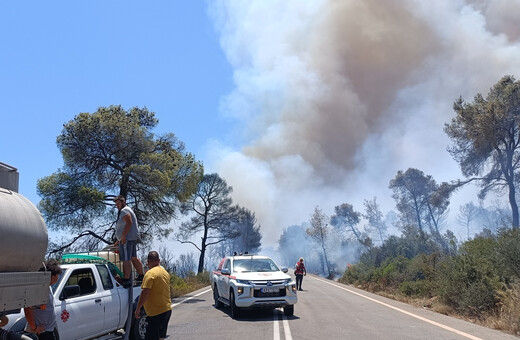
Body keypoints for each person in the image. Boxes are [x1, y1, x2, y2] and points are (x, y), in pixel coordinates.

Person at [134, 251, 172, 340]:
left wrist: (138, 308)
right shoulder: (164, 273)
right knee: (160, 337)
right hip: (166, 309)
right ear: (159, 260)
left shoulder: (150, 274)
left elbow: (145, 292)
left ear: (148, 262)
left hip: (156, 312)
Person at [24, 259, 62, 340]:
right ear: (51, 276)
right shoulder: (37, 290)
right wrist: (34, 328)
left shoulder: (48, 287)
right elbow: (28, 309)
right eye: (57, 275)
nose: (58, 277)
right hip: (40, 333)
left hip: (48, 331)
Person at [113, 195, 144, 287]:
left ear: (123, 202)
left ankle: (126, 280)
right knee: (133, 257)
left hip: (127, 239)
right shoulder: (128, 209)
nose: (117, 206)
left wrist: (123, 236)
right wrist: (119, 240)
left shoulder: (124, 210)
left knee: (126, 259)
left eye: (118, 204)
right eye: (116, 204)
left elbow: (129, 222)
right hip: (131, 238)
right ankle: (141, 275)